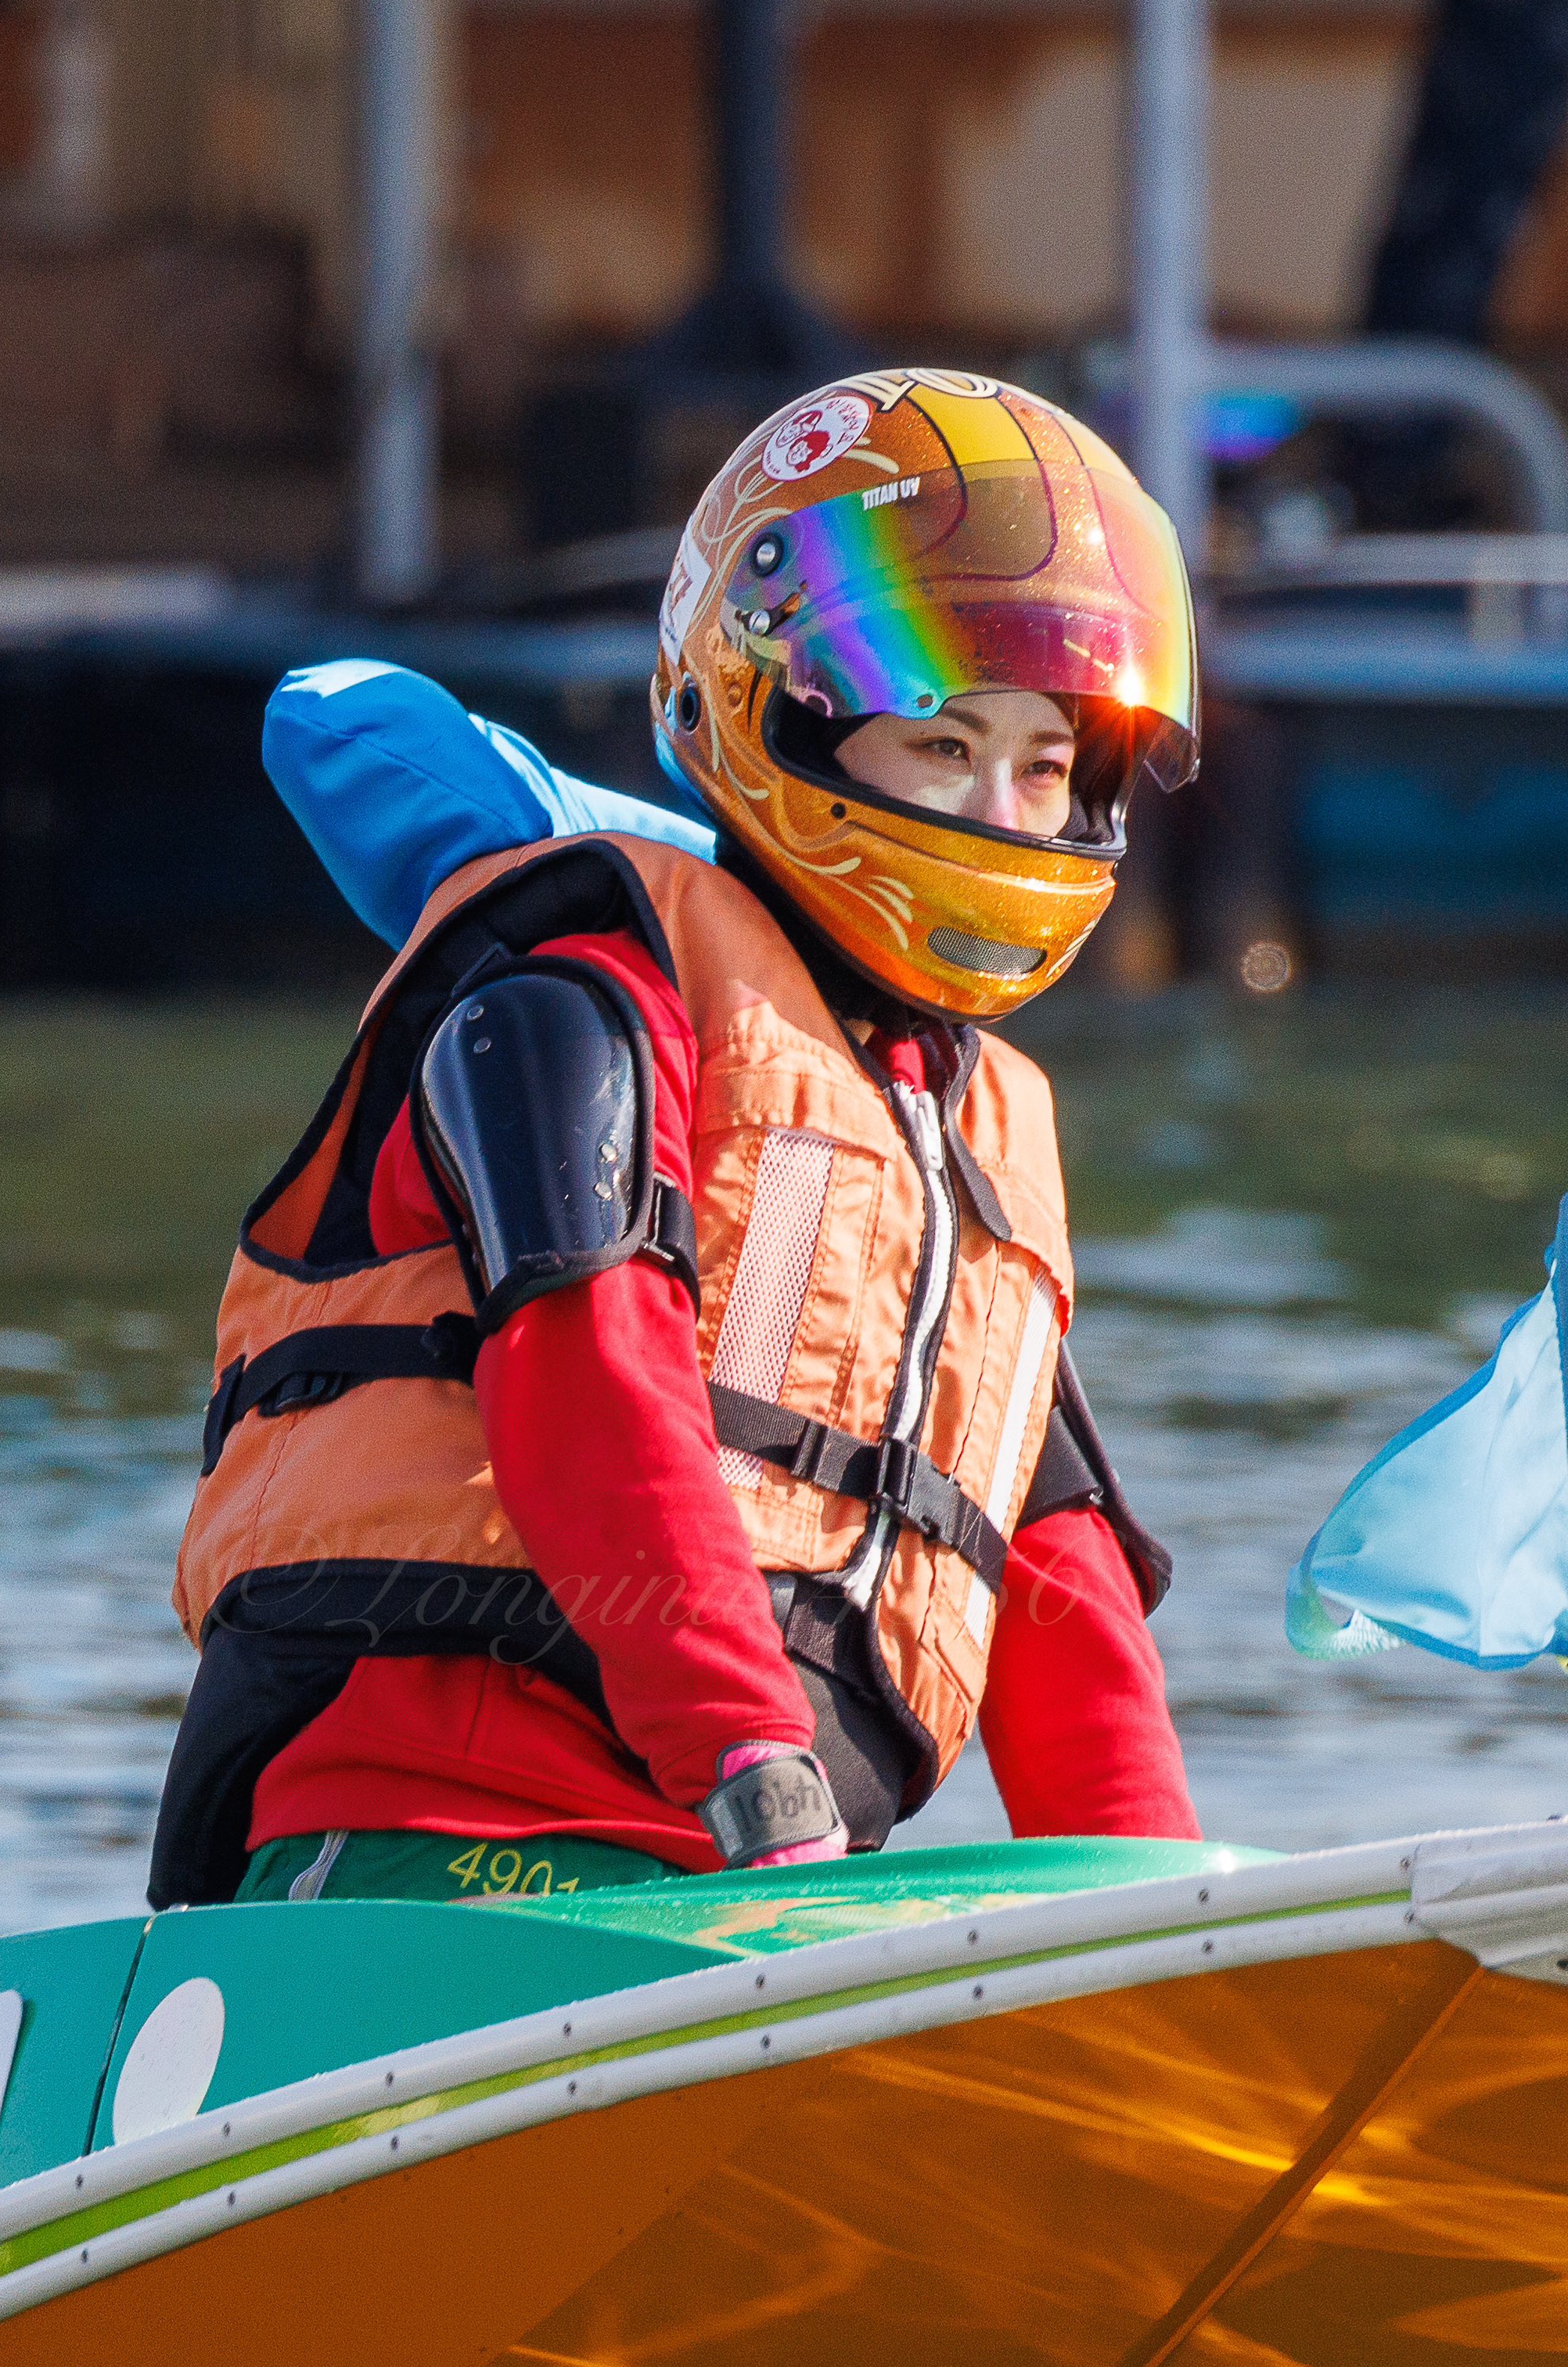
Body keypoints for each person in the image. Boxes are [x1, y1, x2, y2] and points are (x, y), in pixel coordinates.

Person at [151, 370, 1203, 1910]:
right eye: (942, 743)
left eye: (1047, 764)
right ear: (782, 712)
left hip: (732, 1891)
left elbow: (1052, 1575)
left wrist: (1168, 1925)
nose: (1006, 808)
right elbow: (591, 1366)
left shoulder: (962, 1136)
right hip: (422, 1847)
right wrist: (744, 1754)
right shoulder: (585, 992)